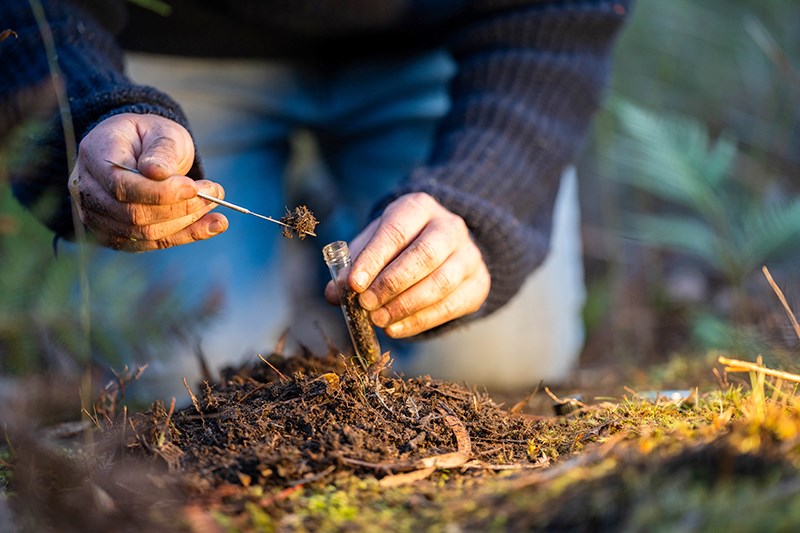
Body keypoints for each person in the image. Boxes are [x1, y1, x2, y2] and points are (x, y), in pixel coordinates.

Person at [1, 0, 631, 395]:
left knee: (495, 363)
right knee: (171, 382)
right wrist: (87, 111)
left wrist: (483, 195)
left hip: (444, 45)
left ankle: (351, 208)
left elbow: (564, 13)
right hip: (167, 44)